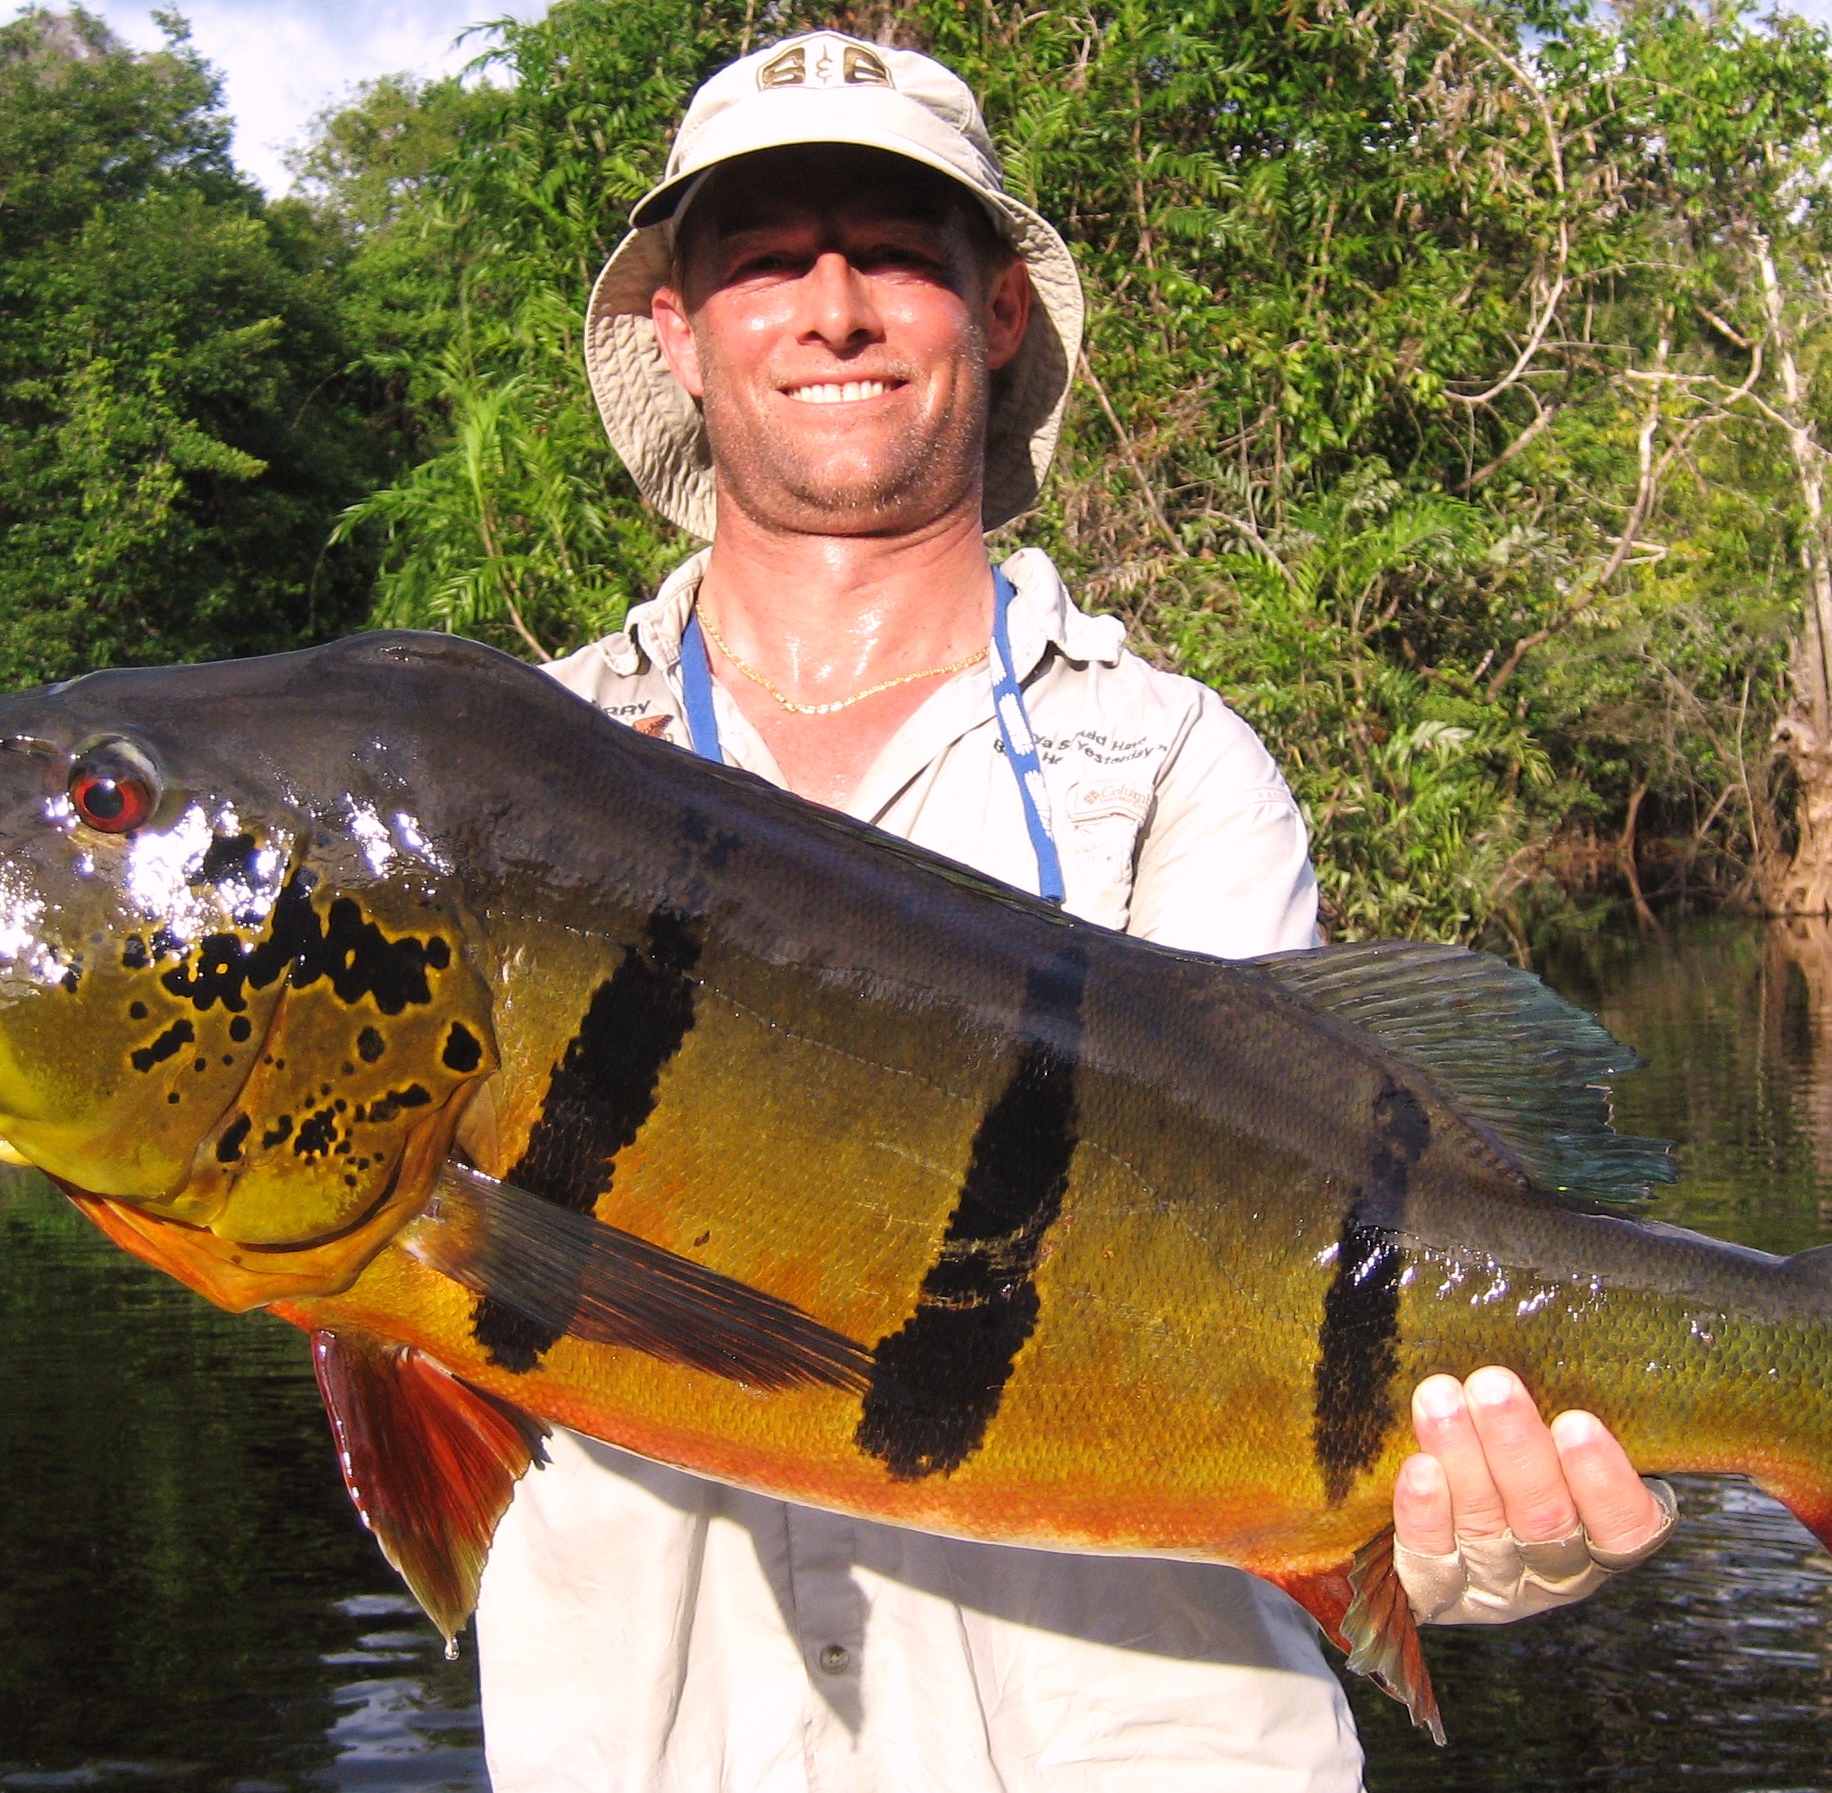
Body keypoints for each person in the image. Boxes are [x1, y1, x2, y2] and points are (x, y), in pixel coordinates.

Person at [480, 32, 1678, 1791]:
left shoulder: (1172, 764)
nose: (833, 308)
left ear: (999, 310)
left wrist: (1449, 1529)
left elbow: (1322, 1307)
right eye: (761, 259)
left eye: (894, 250)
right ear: (677, 326)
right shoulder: (507, 791)